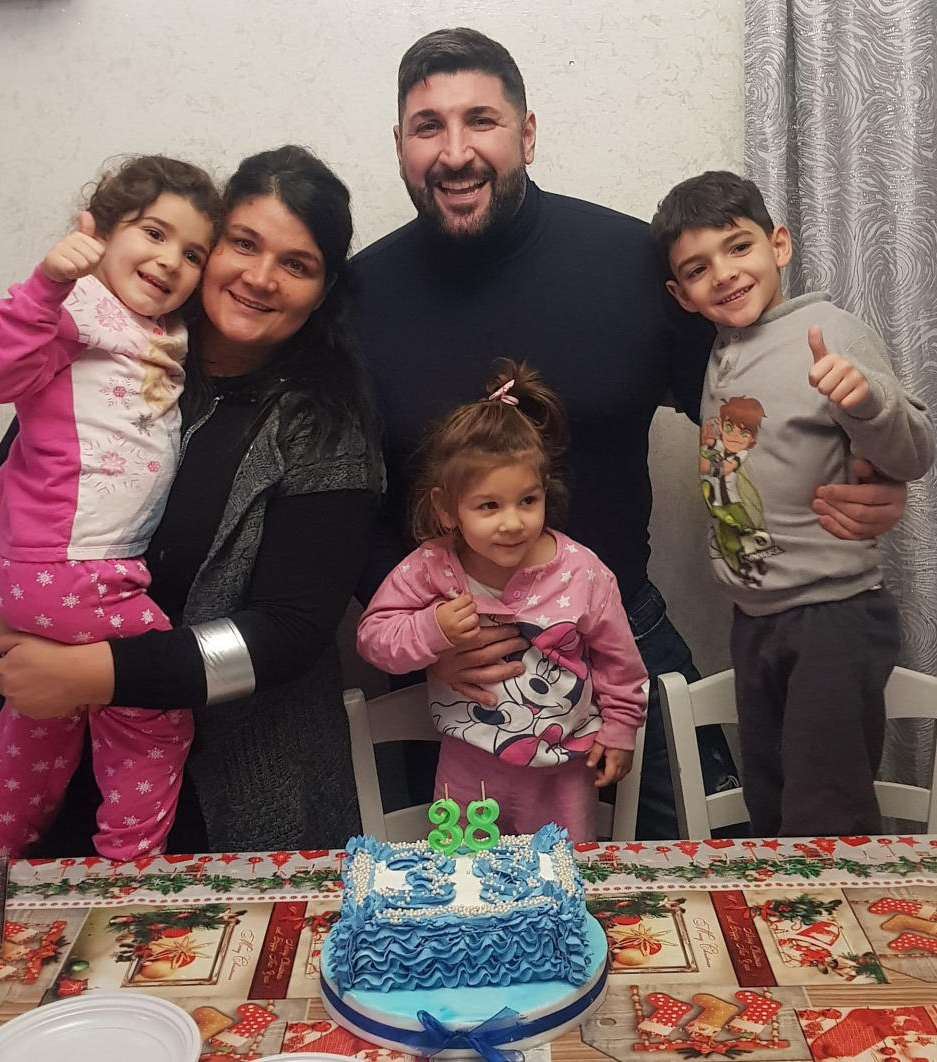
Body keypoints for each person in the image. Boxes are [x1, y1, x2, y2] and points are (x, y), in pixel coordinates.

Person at [349, 27, 908, 839]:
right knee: (463, 902)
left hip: (621, 631)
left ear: (529, 132)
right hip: (454, 658)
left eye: (482, 120)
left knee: (717, 855)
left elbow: (748, 404)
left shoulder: (629, 262)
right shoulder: (360, 296)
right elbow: (343, 503)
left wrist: (871, 471)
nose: (456, 150)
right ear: (399, 145)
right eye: (429, 126)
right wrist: (422, 641)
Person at [0, 145, 383, 853]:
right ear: (208, 250)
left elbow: (286, 634)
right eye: (244, 244)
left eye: (296, 264)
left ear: (324, 290)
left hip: (235, 793)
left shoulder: (326, 429)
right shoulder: (105, 354)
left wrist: (96, 672)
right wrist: (12, 627)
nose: (260, 278)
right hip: (57, 766)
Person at [650, 169, 934, 835]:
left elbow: (914, 452)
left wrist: (865, 398)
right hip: (754, 619)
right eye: (698, 268)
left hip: (832, 615)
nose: (722, 274)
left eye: (738, 247)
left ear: (779, 244)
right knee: (770, 796)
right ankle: (789, 924)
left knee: (827, 802)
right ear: (680, 294)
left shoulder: (827, 330)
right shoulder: (722, 350)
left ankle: (839, 930)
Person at [0, 155, 222, 859]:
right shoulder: (74, 306)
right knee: (154, 708)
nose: (169, 260)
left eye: (192, 253)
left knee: (41, 723)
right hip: (74, 568)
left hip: (63, 572)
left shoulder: (162, 329)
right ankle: (130, 870)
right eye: (153, 232)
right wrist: (48, 282)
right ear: (101, 230)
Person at [357, 360, 647, 839]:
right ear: (447, 509)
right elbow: (373, 637)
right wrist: (432, 630)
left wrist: (620, 730)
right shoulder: (432, 567)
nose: (512, 522)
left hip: (564, 771)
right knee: (461, 887)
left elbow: (620, 662)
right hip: (468, 769)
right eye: (489, 505)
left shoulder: (583, 572)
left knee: (559, 881)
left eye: (527, 501)